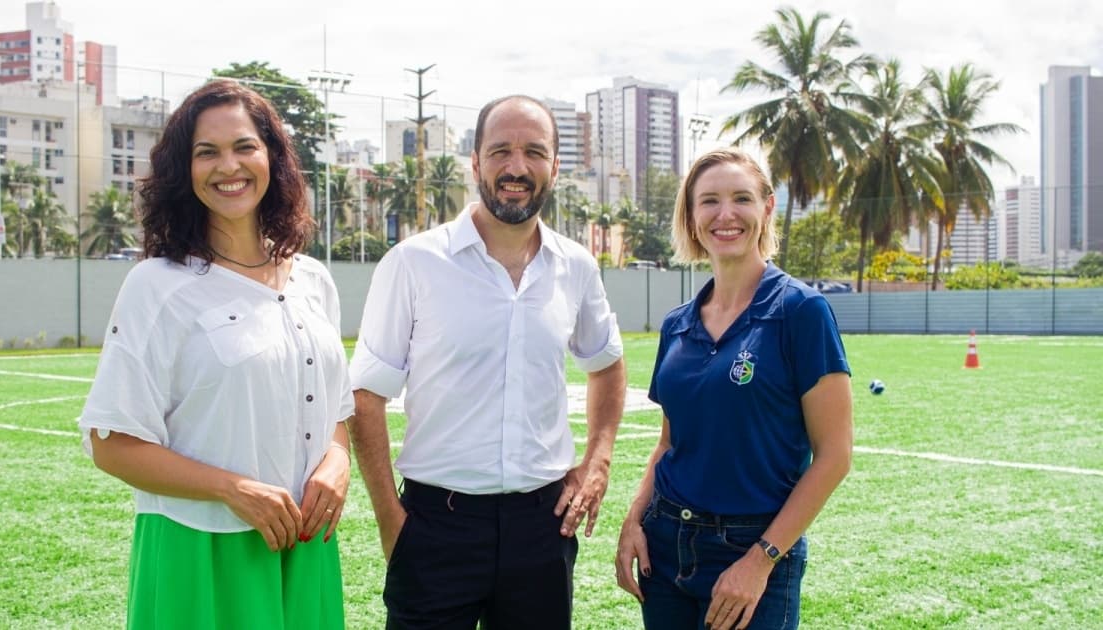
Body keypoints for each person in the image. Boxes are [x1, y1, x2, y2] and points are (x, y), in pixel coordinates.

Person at [78, 79, 353, 629]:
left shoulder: (314, 279)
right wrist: (232, 490)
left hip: (304, 544)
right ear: (185, 171)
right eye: (208, 153)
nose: (229, 166)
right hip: (199, 550)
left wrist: (338, 462)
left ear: (272, 157)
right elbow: (112, 445)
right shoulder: (157, 285)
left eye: (244, 146)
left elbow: (336, 414)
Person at [348, 94, 627, 630]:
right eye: (501, 151)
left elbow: (607, 364)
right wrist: (392, 522)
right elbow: (366, 396)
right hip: (436, 526)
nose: (516, 168)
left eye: (533, 152)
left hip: (543, 528)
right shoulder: (413, 263)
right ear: (475, 162)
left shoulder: (576, 267)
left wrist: (598, 460)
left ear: (555, 167)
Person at [614, 148, 853, 630]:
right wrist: (634, 520)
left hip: (752, 548)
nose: (725, 215)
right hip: (665, 547)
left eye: (741, 199)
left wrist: (760, 559)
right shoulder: (677, 325)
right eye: (709, 202)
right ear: (692, 215)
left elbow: (834, 456)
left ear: (767, 207)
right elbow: (668, 442)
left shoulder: (801, 312)